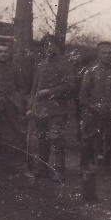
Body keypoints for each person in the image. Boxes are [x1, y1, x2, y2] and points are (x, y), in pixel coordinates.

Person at [27, 34, 78, 181]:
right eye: (46, 46)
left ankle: (59, 171)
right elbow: (34, 89)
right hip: (40, 109)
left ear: (58, 47)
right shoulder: (40, 65)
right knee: (42, 139)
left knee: (57, 139)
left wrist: (50, 92)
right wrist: (31, 107)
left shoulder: (66, 64)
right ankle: (42, 168)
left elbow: (70, 86)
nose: (49, 48)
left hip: (57, 108)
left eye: (52, 45)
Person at [79, 41, 111, 172]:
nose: (107, 55)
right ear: (98, 54)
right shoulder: (90, 71)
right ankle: (85, 167)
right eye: (103, 53)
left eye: (109, 53)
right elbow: (83, 95)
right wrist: (93, 106)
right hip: (93, 111)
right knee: (88, 138)